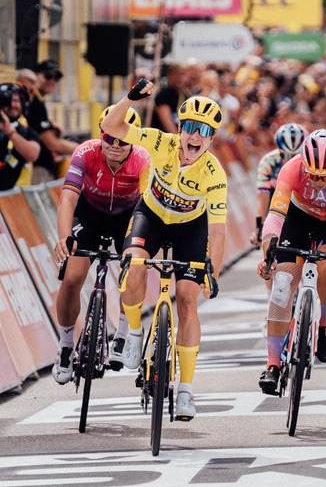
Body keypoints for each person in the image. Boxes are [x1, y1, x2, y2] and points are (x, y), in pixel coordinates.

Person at [100, 84, 228, 422]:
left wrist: (212, 272)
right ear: (179, 128)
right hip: (151, 217)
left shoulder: (215, 173)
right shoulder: (161, 142)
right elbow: (112, 128)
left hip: (190, 229)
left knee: (187, 300)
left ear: (212, 138)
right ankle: (133, 334)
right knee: (134, 268)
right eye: (190, 127)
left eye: (204, 131)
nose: (195, 136)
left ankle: (185, 391)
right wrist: (130, 98)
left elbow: (217, 229)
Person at [256, 129, 326, 395]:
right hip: (299, 216)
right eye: (313, 174)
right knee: (282, 282)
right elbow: (274, 218)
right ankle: (272, 363)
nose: (317, 180)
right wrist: (267, 255)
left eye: (325, 176)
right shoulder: (291, 169)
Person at [51, 107, 150, 383]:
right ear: (101, 134)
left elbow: (148, 205)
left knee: (133, 270)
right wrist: (64, 237)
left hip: (128, 216)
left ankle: (121, 334)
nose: (115, 145)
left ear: (133, 139)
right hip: (90, 216)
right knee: (72, 278)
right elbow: (68, 199)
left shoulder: (143, 158)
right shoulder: (85, 152)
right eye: (109, 138)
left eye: (122, 139)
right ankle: (66, 345)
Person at [252, 123, 309, 245]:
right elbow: (263, 199)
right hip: (279, 197)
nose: (291, 161)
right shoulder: (268, 162)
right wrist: (259, 229)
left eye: (296, 156)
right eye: (287, 156)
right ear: (279, 150)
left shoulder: (311, 162)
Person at [25, 60, 78, 183]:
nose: (52, 81)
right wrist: (85, 149)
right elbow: (53, 144)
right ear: (35, 75)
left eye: (56, 78)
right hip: (37, 169)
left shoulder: (39, 102)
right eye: (48, 76)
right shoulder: (34, 103)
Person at [0, 82, 41, 190]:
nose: (12, 105)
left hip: (13, 197)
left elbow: (32, 154)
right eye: (7, 101)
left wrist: (9, 132)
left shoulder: (26, 132)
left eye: (16, 101)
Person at [152, 63, 191, 132]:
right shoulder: (164, 94)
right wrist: (178, 139)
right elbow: (166, 119)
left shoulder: (185, 95)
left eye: (182, 74)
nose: (179, 78)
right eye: (175, 74)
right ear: (168, 76)